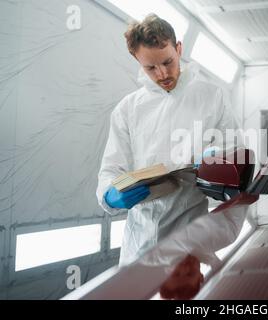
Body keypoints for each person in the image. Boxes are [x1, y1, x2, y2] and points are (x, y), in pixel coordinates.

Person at [96, 14, 241, 266]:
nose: (162, 73)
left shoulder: (210, 97)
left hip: (190, 236)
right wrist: (109, 196)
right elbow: (111, 169)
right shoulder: (127, 109)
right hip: (138, 241)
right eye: (150, 67)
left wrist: (218, 166)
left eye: (168, 62)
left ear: (179, 49)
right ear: (136, 60)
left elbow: (237, 159)